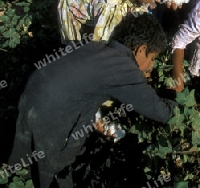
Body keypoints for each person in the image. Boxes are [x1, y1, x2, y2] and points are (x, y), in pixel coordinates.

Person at [8, 13, 177, 188]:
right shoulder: (123, 67)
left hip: (27, 107)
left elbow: (78, 89)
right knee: (54, 173)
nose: (151, 65)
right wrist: (175, 96)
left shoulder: (91, 46)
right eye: (152, 58)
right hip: (51, 124)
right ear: (140, 50)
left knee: (26, 169)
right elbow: (161, 113)